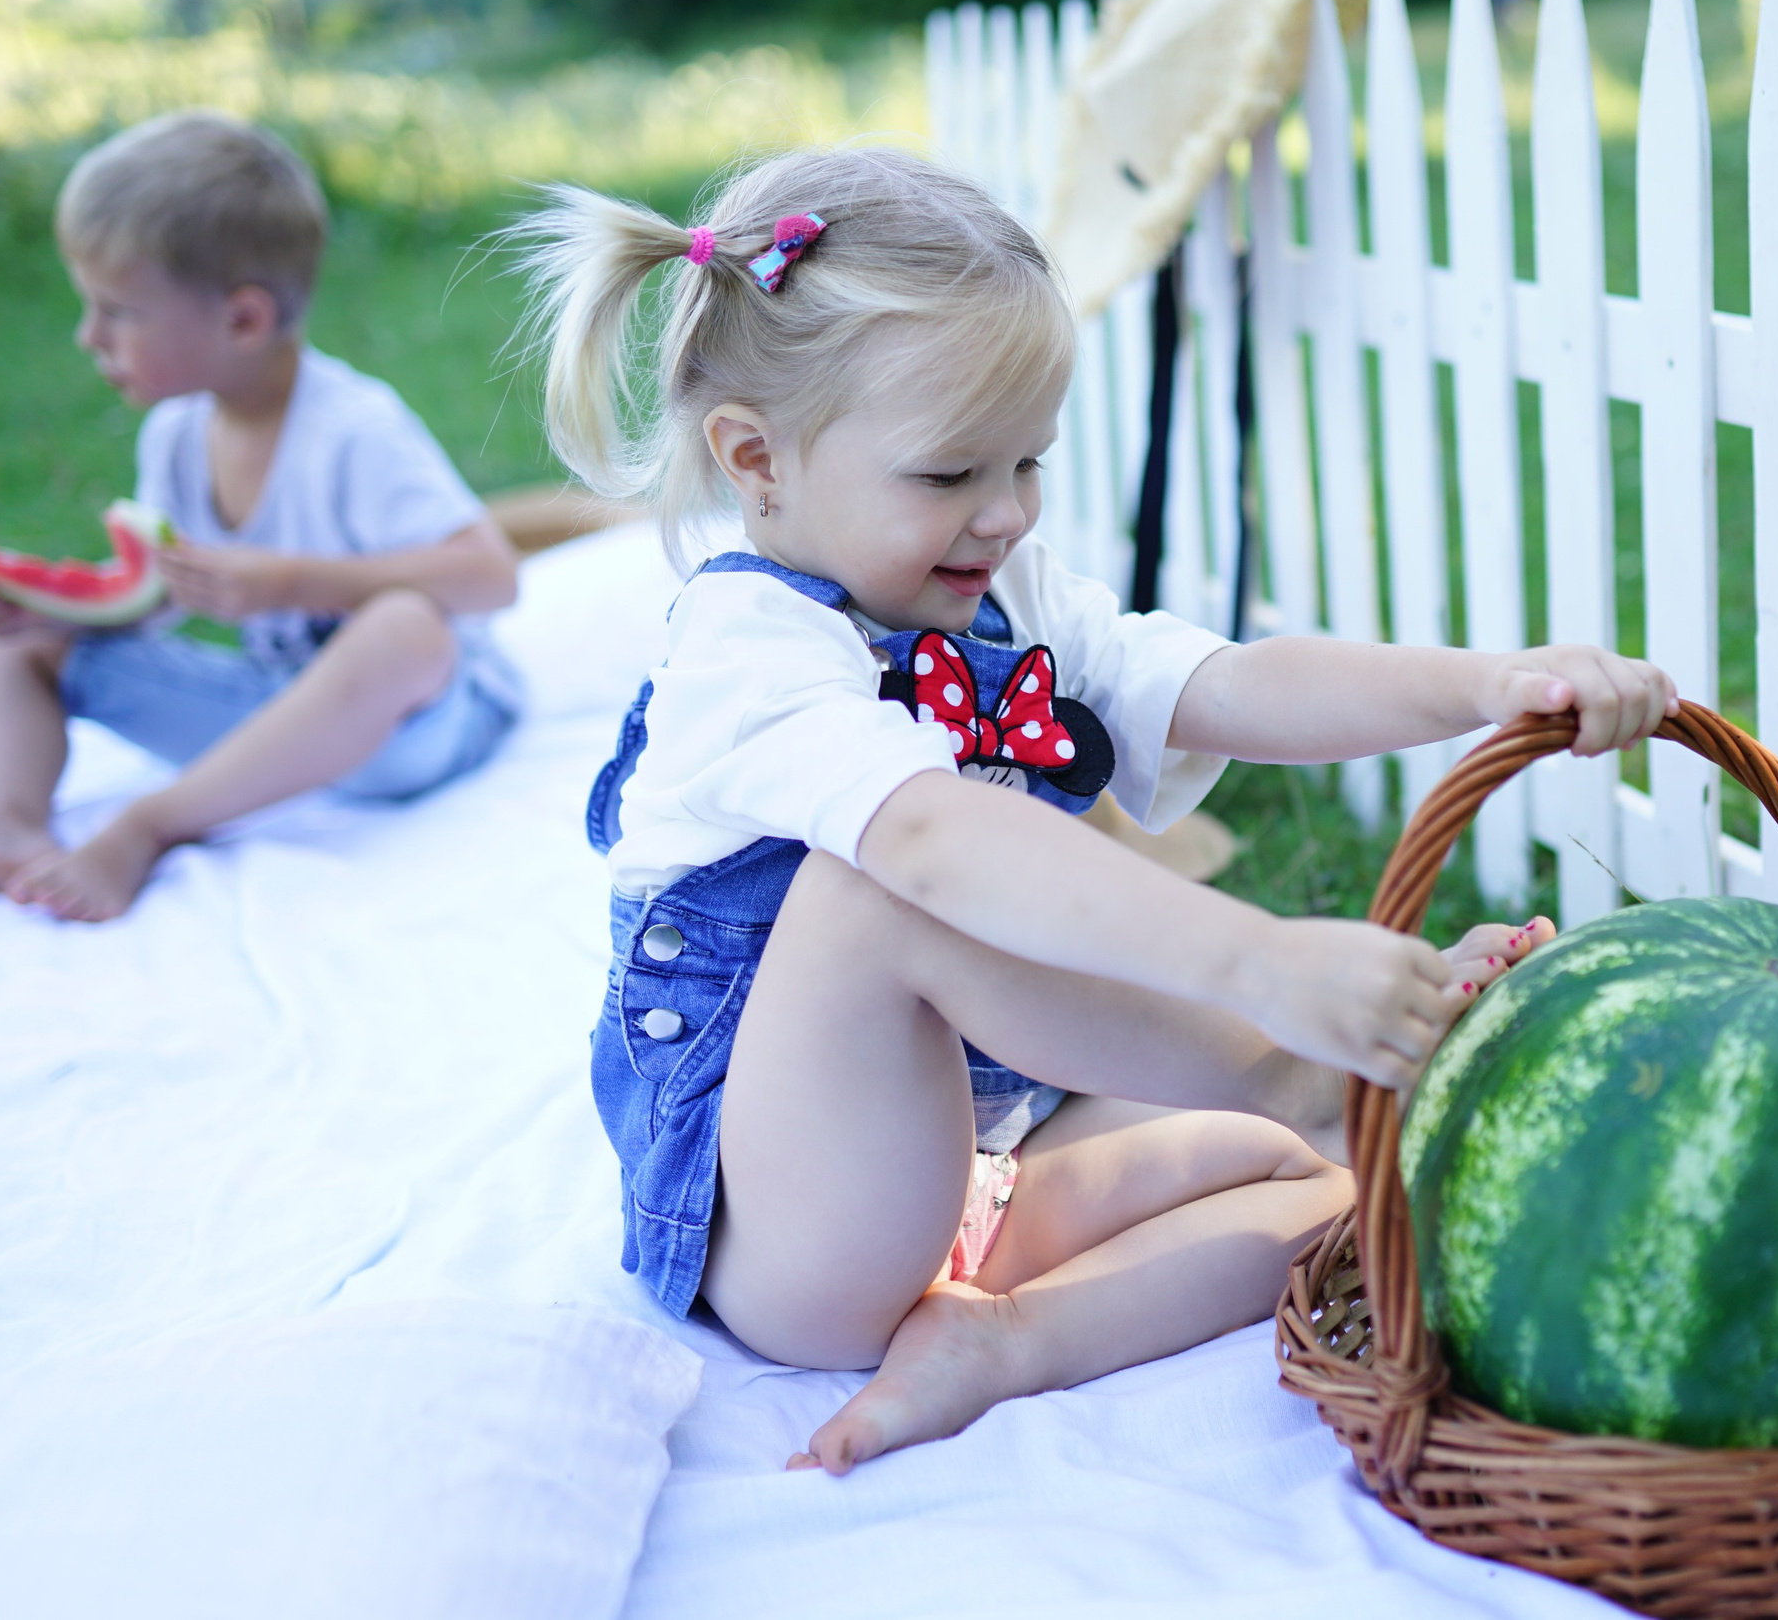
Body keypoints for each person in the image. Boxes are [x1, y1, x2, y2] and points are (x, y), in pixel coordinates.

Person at [514, 146, 1676, 1475]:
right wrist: (1264, 969)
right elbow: (930, 840)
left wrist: (1486, 685)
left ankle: (1010, 1336)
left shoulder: (1005, 594)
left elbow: (1229, 683)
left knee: (1336, 1175)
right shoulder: (747, 651)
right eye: (948, 474)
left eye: (1029, 462)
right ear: (756, 459)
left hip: (989, 1160)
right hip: (797, 1229)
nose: (1005, 514)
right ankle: (1301, 1064)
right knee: (877, 881)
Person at [0, 110, 521, 921]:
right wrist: (52, 611)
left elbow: (491, 576)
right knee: (14, 645)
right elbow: (158, 600)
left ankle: (149, 824)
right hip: (281, 725)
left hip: (414, 728)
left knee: (407, 626)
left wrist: (289, 583)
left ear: (243, 319)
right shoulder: (176, 434)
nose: (88, 336)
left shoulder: (353, 427)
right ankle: (2, 828)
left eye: (117, 311)